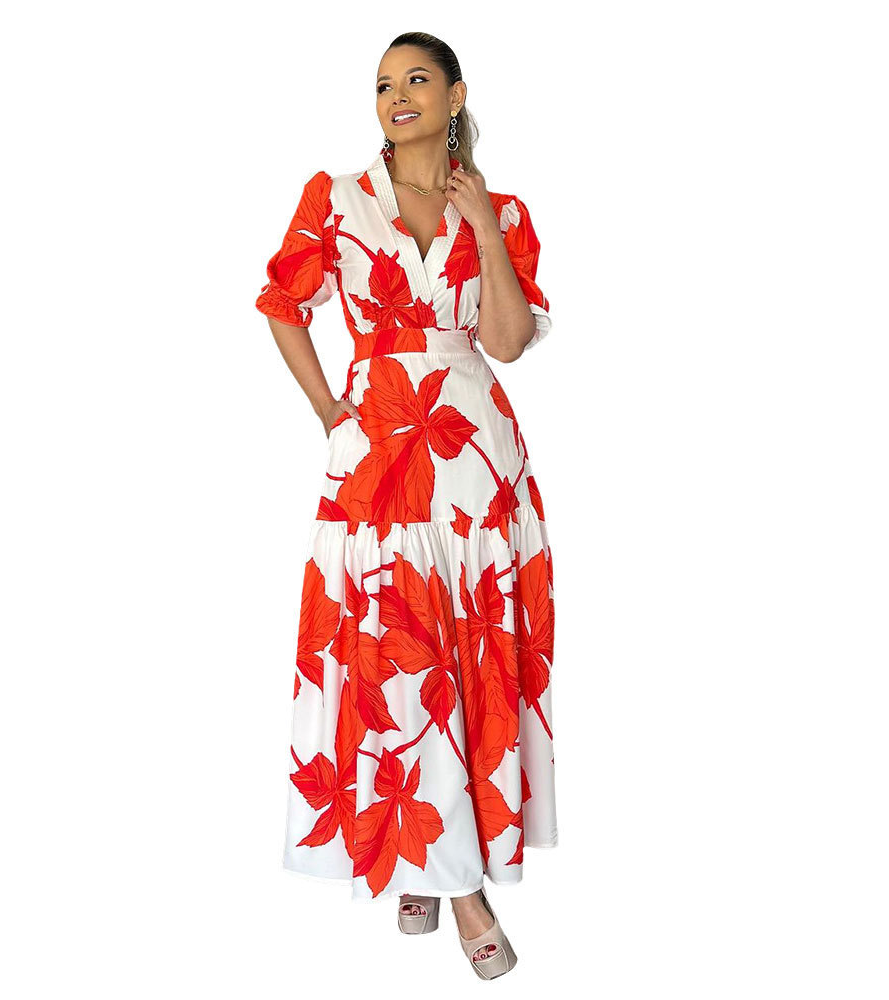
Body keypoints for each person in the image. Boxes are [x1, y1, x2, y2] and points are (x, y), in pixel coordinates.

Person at [254, 31, 557, 980]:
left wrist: (486, 227)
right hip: (379, 455)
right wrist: (330, 411)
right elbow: (281, 304)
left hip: (476, 458)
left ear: (456, 95)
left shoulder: (502, 208)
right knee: (398, 654)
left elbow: (506, 341)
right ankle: (461, 891)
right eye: (384, 84)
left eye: (418, 79)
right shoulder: (336, 198)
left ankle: (433, 866)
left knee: (466, 655)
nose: (397, 96)